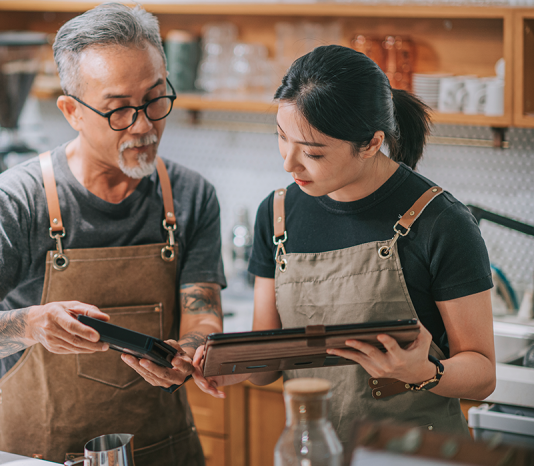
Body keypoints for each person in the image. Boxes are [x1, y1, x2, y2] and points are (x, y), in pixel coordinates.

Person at [0, 3, 224, 464]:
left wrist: (189, 353)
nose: (145, 126)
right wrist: (32, 324)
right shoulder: (16, 199)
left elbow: (203, 310)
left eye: (155, 99)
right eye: (119, 111)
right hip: (44, 455)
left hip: (165, 451)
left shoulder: (191, 195)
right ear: (72, 111)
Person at [193, 45, 496, 447]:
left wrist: (424, 371)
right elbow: (270, 358)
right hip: (314, 446)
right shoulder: (278, 213)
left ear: (371, 143)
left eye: (313, 152)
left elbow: (483, 374)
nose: (289, 163)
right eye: (282, 138)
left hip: (413, 453)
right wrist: (234, 367)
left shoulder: (440, 221)